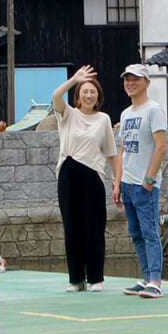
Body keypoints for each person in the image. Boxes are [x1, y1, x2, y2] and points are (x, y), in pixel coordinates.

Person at [52, 65, 118, 292]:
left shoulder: (104, 120)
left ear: (98, 96)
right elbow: (56, 96)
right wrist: (75, 79)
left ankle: (95, 278)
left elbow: (111, 154)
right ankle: (76, 278)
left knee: (94, 227)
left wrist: (117, 181)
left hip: (93, 175)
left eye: (93, 92)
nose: (89, 95)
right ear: (78, 95)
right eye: (84, 91)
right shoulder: (68, 114)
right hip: (68, 173)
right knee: (72, 227)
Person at [113, 63, 167, 298]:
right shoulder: (125, 114)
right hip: (127, 183)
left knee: (150, 231)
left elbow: (161, 146)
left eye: (135, 79)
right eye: (127, 79)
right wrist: (117, 183)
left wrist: (149, 179)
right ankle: (146, 278)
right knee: (136, 232)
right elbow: (122, 150)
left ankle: (155, 280)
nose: (130, 83)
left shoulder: (154, 110)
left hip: (145, 185)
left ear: (147, 82)